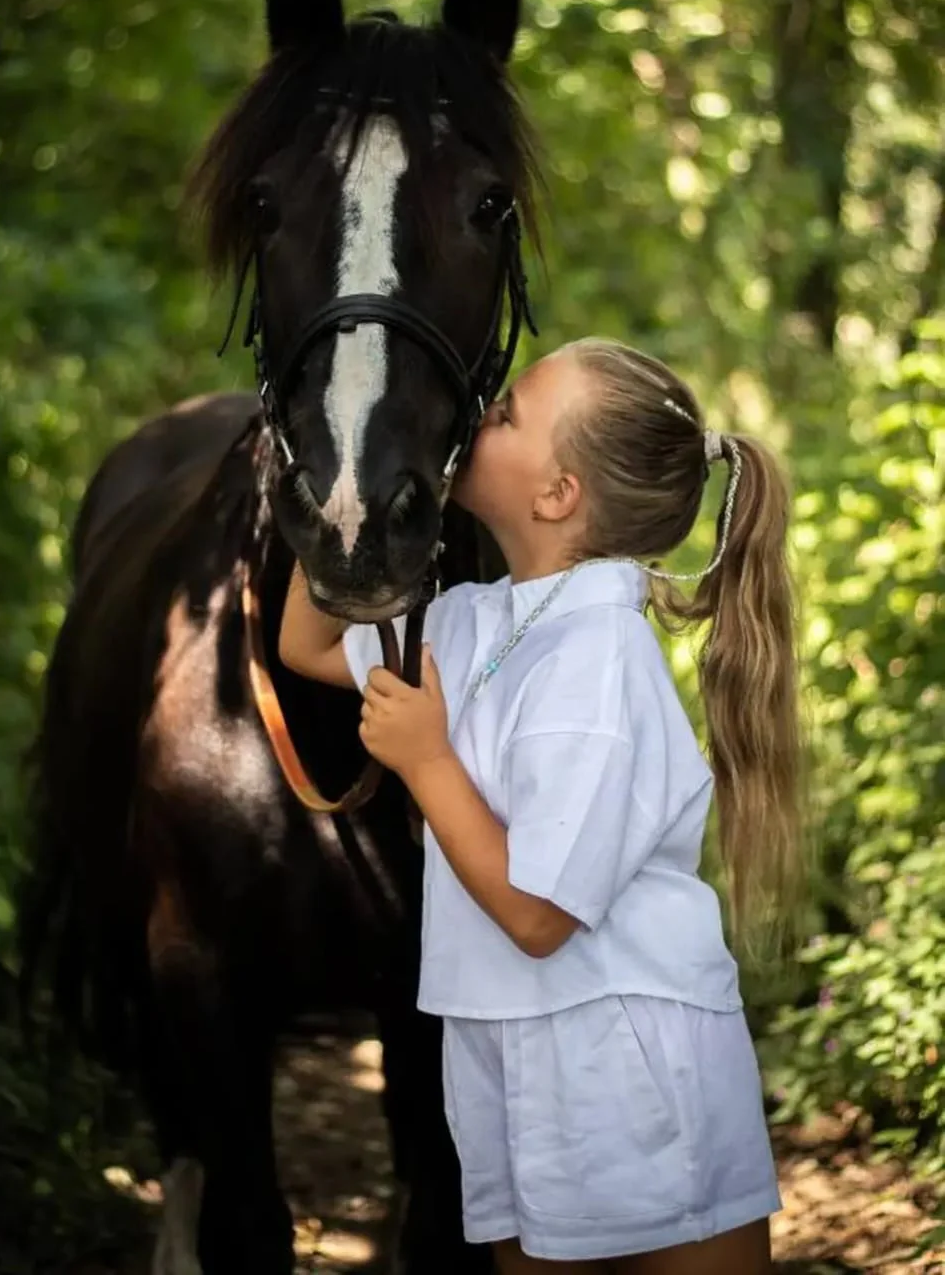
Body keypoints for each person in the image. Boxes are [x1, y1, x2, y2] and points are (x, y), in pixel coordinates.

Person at [279, 338, 803, 1274]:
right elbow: (308, 641)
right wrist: (352, 456)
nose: (480, 409)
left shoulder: (598, 658)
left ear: (557, 495)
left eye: (507, 411)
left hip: (622, 1049)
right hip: (501, 1037)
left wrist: (428, 761)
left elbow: (535, 915)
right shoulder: (478, 616)